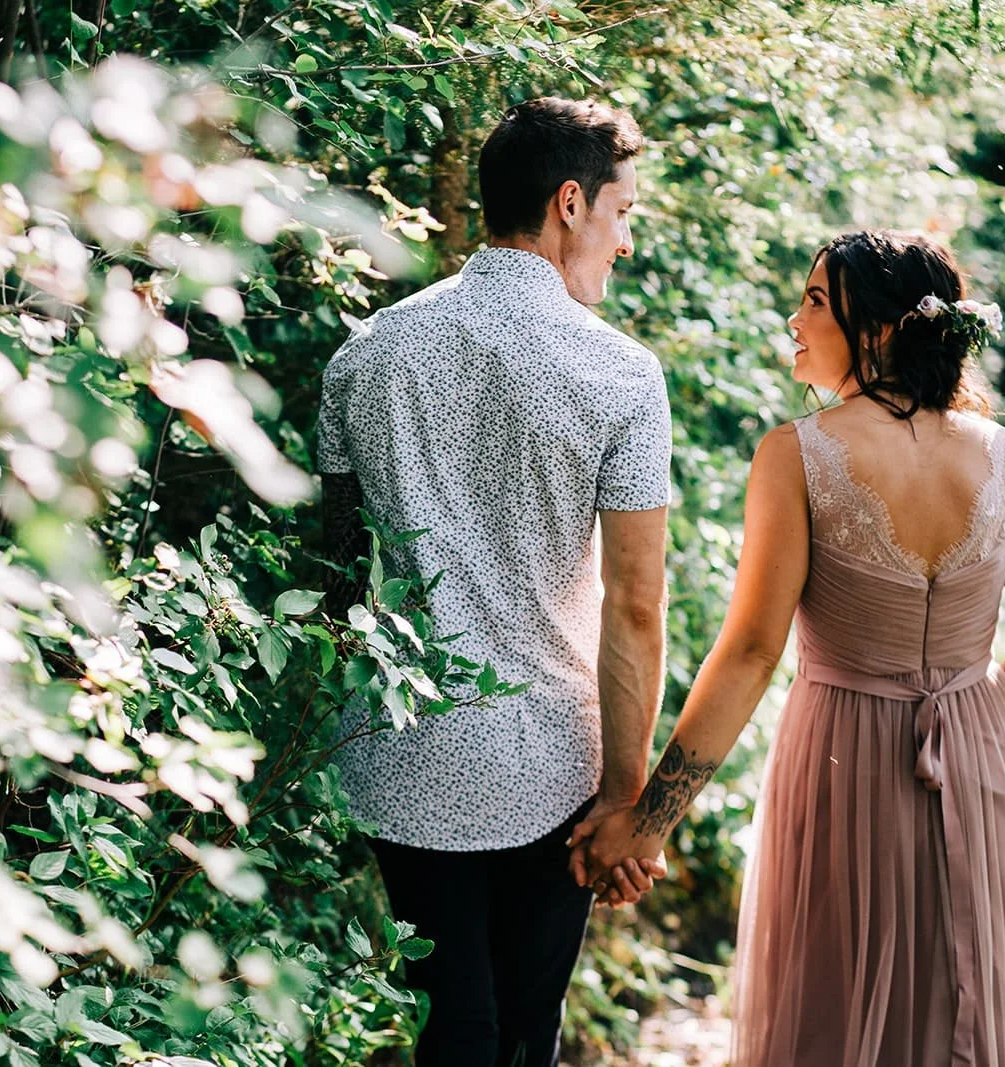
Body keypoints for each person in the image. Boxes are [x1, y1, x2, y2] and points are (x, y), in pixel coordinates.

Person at [568, 230, 1005, 1065]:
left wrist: (649, 823)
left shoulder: (795, 455)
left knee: (836, 1016)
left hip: (847, 762)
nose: (793, 318)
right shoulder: (1003, 455)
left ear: (879, 329)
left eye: (815, 301)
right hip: (990, 766)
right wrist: (972, 720)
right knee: (967, 1008)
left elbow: (750, 654)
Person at [315, 97, 674, 1067]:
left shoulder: (368, 351)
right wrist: (626, 798)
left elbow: (336, 567)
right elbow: (636, 606)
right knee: (523, 1026)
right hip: (549, 758)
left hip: (399, 750)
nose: (626, 239)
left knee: (453, 1020)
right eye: (623, 211)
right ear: (569, 203)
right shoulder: (617, 373)